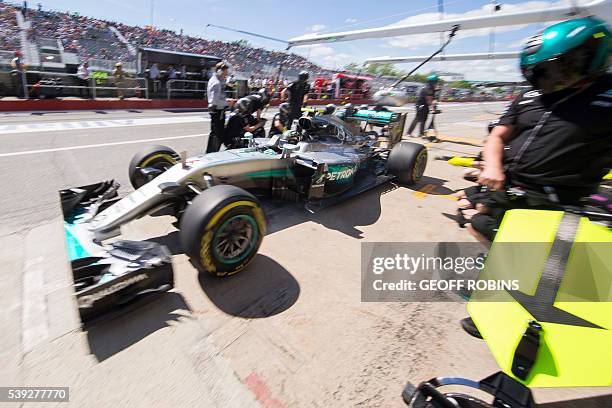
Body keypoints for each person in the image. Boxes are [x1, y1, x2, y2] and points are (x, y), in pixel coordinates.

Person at [459, 16, 612, 338]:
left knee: (528, 260)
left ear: (584, 58)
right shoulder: (529, 97)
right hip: (509, 184)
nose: (544, 80)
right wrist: (492, 166)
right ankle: (495, 277)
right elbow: (498, 135)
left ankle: (498, 311)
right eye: (539, 73)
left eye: (552, 70)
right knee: (479, 224)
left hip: (558, 199)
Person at [206, 61, 235, 153]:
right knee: (217, 135)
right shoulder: (216, 83)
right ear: (219, 71)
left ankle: (211, 152)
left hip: (218, 110)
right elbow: (214, 100)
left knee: (216, 134)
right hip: (217, 111)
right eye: (225, 73)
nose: (226, 75)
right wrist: (227, 103)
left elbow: (219, 97)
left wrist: (226, 100)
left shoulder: (217, 80)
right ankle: (212, 154)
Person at [407, 74, 438, 138]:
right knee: (420, 118)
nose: (436, 83)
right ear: (432, 82)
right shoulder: (428, 88)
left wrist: (433, 104)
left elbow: (432, 98)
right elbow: (429, 100)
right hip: (421, 104)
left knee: (422, 119)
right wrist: (433, 107)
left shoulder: (429, 87)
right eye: (435, 81)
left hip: (423, 104)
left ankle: (418, 133)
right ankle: (413, 133)